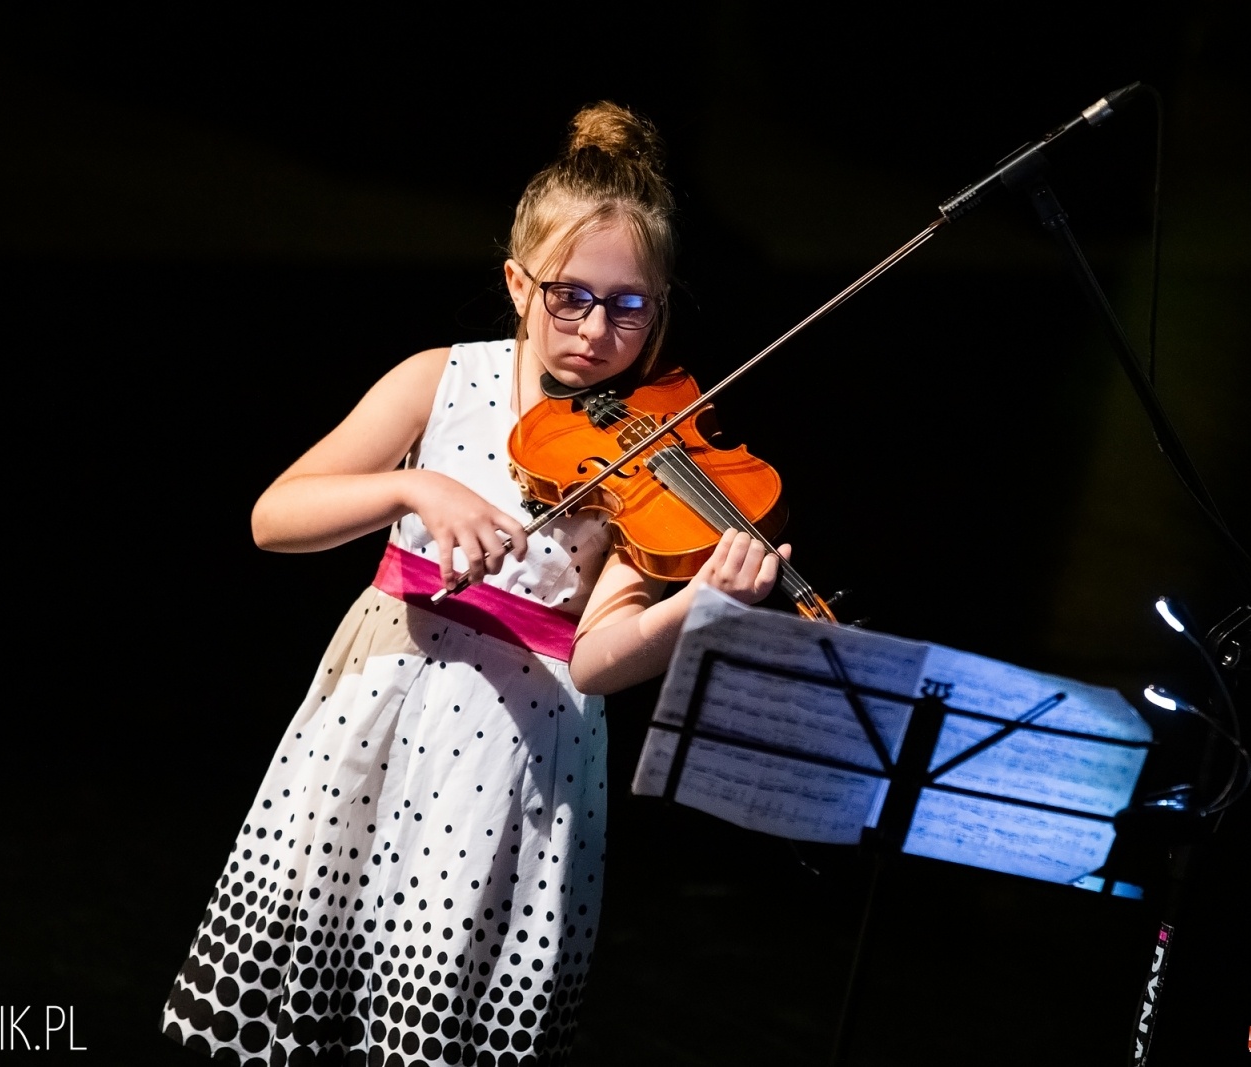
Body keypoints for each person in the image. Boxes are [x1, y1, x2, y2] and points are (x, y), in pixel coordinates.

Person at [161, 101, 785, 1066]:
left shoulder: (656, 454)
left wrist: (697, 609)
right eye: (569, 295)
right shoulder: (439, 380)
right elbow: (272, 519)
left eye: (630, 307)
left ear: (660, 310)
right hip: (374, 716)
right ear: (516, 281)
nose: (595, 329)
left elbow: (596, 660)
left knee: (431, 1012)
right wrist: (413, 484)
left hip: (516, 761)